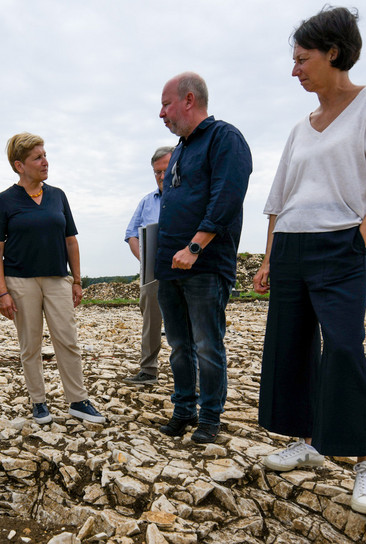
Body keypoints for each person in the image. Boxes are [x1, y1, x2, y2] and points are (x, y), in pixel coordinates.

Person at [252, 7, 366, 517]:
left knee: (344, 347)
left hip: (341, 243)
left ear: (333, 53)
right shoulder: (301, 127)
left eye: (302, 59)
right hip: (293, 246)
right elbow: (280, 198)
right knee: (292, 347)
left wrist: (360, 238)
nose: (294, 70)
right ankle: (309, 441)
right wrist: (269, 256)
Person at [155, 72, 252, 444]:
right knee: (179, 345)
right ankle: (184, 409)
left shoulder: (225, 138)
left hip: (205, 265)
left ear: (189, 99)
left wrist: (194, 247)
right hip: (170, 266)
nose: (161, 113)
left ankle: (210, 417)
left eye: (166, 104)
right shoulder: (179, 148)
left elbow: (227, 197)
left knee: (208, 345)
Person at [0, 132, 105, 426]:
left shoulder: (58, 196)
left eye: (45, 155)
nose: (45, 161)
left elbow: (71, 241)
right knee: (30, 344)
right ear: (19, 165)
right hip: (20, 282)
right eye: (37, 157)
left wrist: (77, 280)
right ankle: (38, 402)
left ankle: (78, 399)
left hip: (57, 279)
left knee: (68, 339)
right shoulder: (3, 201)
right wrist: (2, 292)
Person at [122, 145, 175, 385]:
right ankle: (148, 370)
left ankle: (192, 373)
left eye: (166, 170)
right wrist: (144, 260)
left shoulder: (190, 196)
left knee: (187, 321)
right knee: (151, 321)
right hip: (152, 272)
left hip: (185, 271)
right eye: (157, 172)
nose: (162, 176)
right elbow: (131, 234)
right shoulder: (147, 201)